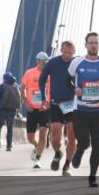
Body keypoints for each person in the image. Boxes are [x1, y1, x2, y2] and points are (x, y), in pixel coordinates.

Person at [68, 32, 99, 187]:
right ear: (86, 45)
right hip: (80, 109)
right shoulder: (77, 62)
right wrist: (74, 89)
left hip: (98, 110)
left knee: (97, 143)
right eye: (90, 42)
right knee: (83, 142)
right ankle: (80, 150)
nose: (93, 45)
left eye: (96, 42)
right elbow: (66, 80)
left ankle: (92, 176)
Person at [39, 40, 79, 175]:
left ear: (74, 52)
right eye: (65, 52)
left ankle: (67, 166)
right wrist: (44, 98)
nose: (67, 55)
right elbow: (42, 79)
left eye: (70, 52)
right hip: (56, 104)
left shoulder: (77, 63)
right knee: (55, 137)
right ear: (61, 50)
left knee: (72, 137)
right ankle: (58, 153)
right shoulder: (53, 62)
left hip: (73, 104)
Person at [21, 52, 51, 168]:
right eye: (42, 61)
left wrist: (48, 103)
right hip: (32, 109)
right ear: (37, 61)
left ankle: (37, 159)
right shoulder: (29, 73)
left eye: (46, 61)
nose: (44, 63)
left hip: (45, 109)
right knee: (30, 138)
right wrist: (26, 102)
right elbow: (22, 88)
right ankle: (36, 145)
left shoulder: (50, 74)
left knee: (43, 133)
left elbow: (53, 90)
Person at [0, 72, 20, 152]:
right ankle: (9, 145)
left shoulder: (2, 86)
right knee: (10, 128)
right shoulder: (16, 86)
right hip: (12, 111)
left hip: (2, 110)